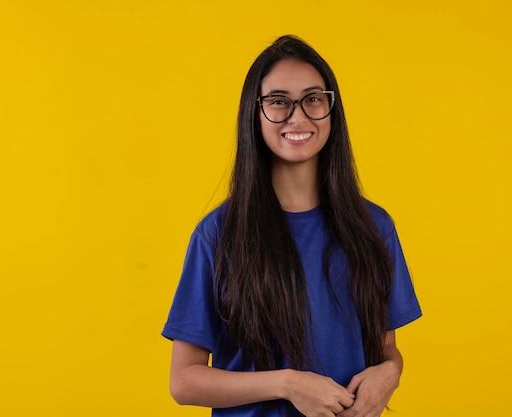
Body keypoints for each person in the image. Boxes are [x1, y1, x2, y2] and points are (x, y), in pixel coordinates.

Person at [162, 35, 422, 417]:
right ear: (255, 113)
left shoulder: (373, 227)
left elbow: (385, 348)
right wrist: (288, 383)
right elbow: (184, 381)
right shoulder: (218, 235)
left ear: (331, 109)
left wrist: (392, 371)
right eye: (279, 101)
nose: (297, 117)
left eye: (313, 99)